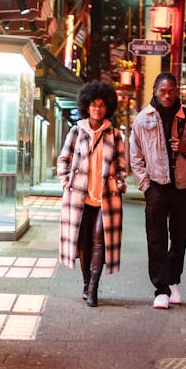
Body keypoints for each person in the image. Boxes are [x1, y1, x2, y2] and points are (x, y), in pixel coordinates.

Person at [129, 71, 186, 310]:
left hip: (182, 188)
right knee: (156, 240)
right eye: (162, 91)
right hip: (156, 188)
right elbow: (135, 156)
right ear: (155, 91)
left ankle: (173, 280)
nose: (167, 95)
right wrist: (145, 185)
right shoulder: (143, 119)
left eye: (171, 91)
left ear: (177, 92)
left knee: (180, 238)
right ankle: (161, 289)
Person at [57, 80, 128, 307]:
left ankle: (94, 287)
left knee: (100, 239)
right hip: (80, 197)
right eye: (93, 105)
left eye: (102, 105)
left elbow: (122, 165)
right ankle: (87, 282)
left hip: (106, 197)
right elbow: (63, 159)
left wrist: (119, 183)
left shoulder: (115, 135)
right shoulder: (76, 132)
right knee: (84, 243)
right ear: (86, 106)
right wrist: (65, 180)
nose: (97, 109)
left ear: (108, 107)